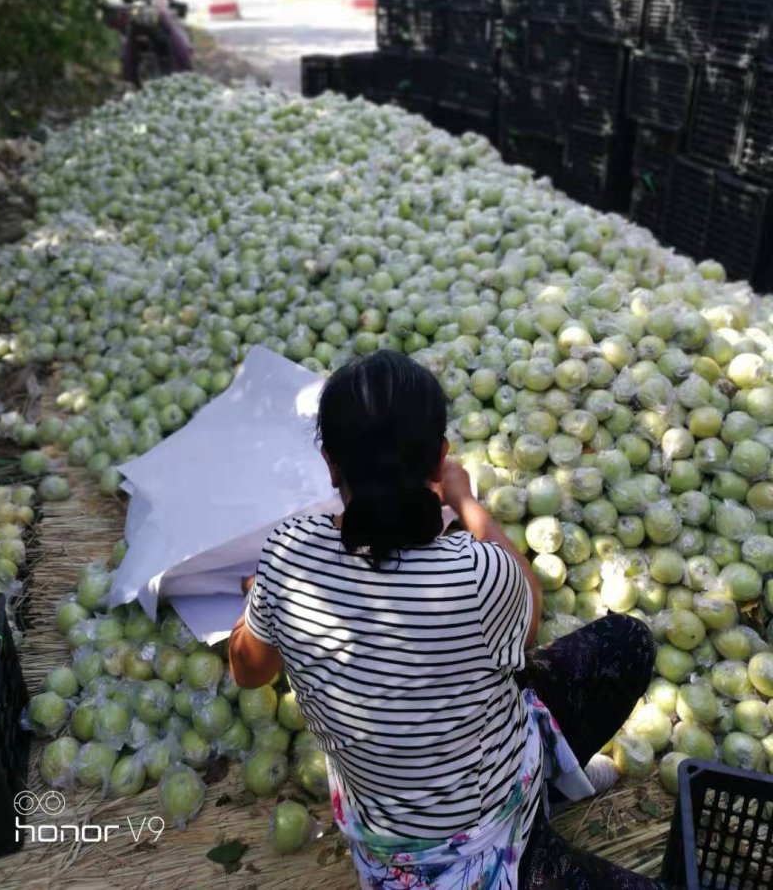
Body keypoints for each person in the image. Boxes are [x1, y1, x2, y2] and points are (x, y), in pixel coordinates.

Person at [229, 350, 668, 889]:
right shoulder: (479, 574)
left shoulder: (288, 555)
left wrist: (266, 600)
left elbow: (248, 671)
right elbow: (529, 614)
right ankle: (538, 813)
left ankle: (547, 789)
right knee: (628, 642)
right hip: (471, 858)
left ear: (329, 464)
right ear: (440, 458)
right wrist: (467, 503)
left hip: (391, 833)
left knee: (626, 641)